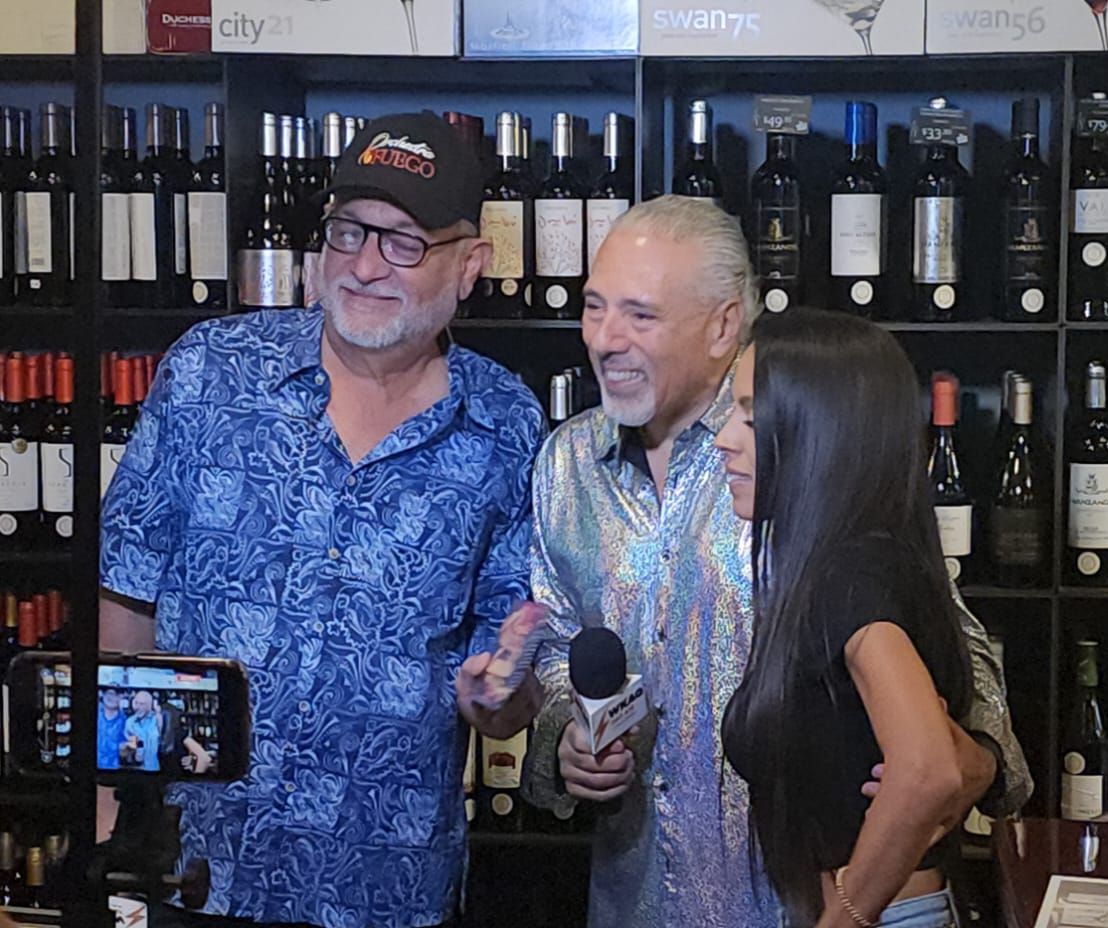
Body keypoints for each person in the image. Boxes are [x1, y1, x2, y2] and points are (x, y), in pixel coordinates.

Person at [519, 195, 1032, 927]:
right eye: (594, 307)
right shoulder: (565, 463)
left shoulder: (798, 450)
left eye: (640, 315)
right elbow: (555, 648)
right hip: (633, 898)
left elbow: (944, 640)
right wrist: (567, 738)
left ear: (723, 324)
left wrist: (975, 758)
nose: (605, 339)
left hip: (796, 904)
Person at [99, 112, 548, 928]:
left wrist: (499, 699)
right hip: (194, 871)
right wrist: (108, 826)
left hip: (384, 888)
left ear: (470, 265)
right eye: (349, 231)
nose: (366, 266)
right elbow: (126, 595)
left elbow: (502, 675)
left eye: (403, 242)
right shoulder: (210, 372)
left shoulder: (505, 424)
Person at [716, 309, 990, 927]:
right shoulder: (862, 559)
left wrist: (840, 920)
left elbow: (927, 770)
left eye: (752, 419)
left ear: (821, 434)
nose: (724, 439)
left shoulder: (848, 574)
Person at [123, 690, 164, 772]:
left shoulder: (156, 719)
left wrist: (158, 713)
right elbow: (127, 746)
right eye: (136, 703)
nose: (138, 707)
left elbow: (160, 735)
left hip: (153, 769)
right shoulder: (129, 722)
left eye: (142, 704)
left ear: (149, 705)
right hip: (134, 770)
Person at [97, 689, 127, 771]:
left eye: (116, 694)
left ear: (122, 697)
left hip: (114, 768)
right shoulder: (96, 713)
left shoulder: (126, 721)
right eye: (109, 693)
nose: (112, 697)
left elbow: (129, 749)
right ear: (102, 694)